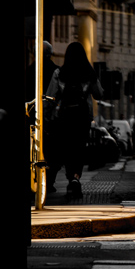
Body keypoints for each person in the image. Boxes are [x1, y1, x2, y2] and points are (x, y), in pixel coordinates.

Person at [46, 42, 104, 198]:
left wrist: (46, 116)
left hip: (64, 118)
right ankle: (75, 178)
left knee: (65, 148)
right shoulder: (89, 73)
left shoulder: (60, 73)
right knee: (79, 148)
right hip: (82, 118)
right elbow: (99, 94)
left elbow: (51, 97)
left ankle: (67, 177)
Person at [27, 41, 60, 191]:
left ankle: (33, 178)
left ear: (34, 54)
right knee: (52, 150)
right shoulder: (57, 71)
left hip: (31, 114)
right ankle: (49, 181)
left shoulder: (28, 71)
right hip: (52, 117)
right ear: (50, 54)